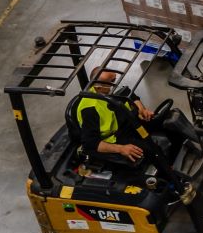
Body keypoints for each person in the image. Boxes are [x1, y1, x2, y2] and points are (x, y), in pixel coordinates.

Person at [76, 68, 192, 198]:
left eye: (115, 79)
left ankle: (181, 154)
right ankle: (173, 183)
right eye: (112, 81)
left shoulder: (112, 88)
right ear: (98, 86)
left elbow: (133, 97)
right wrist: (121, 149)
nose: (116, 83)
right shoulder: (89, 109)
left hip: (127, 122)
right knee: (151, 150)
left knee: (170, 122)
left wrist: (141, 110)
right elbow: (90, 143)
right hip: (114, 138)